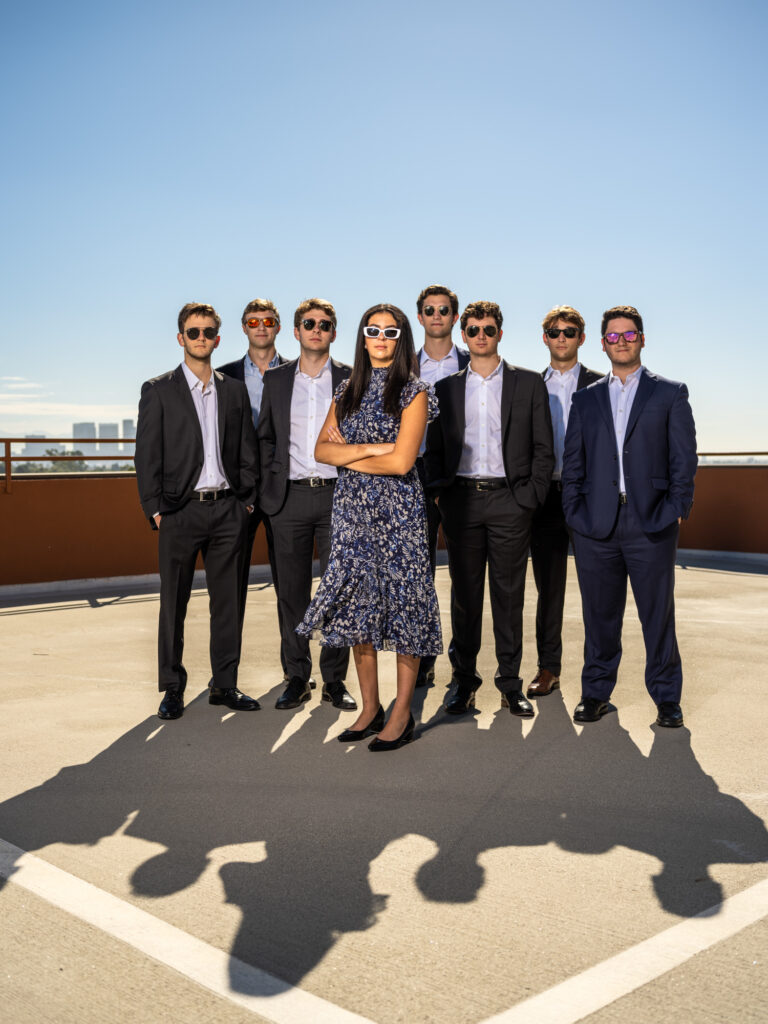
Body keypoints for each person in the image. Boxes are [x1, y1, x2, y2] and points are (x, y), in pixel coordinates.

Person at [297, 303, 442, 751]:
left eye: (391, 331)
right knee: (359, 607)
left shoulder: (414, 391)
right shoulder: (347, 389)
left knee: (402, 605)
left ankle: (401, 712)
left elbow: (403, 462)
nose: (381, 337)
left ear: (401, 339)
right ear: (362, 337)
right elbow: (321, 451)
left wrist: (355, 451)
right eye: (373, 329)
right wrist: (380, 445)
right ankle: (369, 707)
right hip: (352, 514)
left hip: (400, 515)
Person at [562, 305, 697, 728]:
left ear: (641, 339)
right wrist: (574, 513)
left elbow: (684, 460)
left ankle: (667, 698)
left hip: (651, 522)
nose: (622, 341)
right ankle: (596, 693)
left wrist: (676, 509)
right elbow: (573, 463)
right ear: (603, 343)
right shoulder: (584, 399)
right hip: (595, 526)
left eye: (629, 334)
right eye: (614, 336)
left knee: (657, 616)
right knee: (599, 615)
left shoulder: (670, 393)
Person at [424, 300, 554, 718]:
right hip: (460, 502)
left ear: (500, 333)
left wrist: (527, 500)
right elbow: (435, 450)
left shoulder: (529, 383)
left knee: (508, 595)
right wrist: (442, 494)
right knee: (464, 597)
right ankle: (463, 683)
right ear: (464, 335)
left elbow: (542, 449)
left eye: (489, 329)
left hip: (509, 503)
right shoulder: (444, 389)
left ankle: (510, 683)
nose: (481, 335)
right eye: (474, 330)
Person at [135, 302, 261, 720]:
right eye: (193, 332)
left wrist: (246, 501)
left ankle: (224, 685)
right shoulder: (158, 390)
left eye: (208, 332)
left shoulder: (234, 390)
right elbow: (146, 456)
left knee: (228, 603)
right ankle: (172, 687)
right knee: (174, 603)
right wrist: (155, 510)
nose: (201, 338)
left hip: (228, 510)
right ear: (180, 338)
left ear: (218, 339)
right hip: (179, 512)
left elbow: (246, 448)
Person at [257, 299, 355, 712]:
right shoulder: (276, 380)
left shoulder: (353, 379)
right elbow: (265, 437)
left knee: (338, 592)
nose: (317, 329)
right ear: (296, 331)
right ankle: (297, 676)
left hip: (338, 497)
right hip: (289, 498)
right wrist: (267, 493)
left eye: (324, 324)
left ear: (333, 333)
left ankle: (335, 680)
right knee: (292, 594)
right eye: (309, 323)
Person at [528, 306, 602, 698]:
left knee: (597, 589)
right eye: (555, 332)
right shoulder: (530, 385)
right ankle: (548, 668)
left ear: (581, 338)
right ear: (545, 338)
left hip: (590, 497)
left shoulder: (602, 385)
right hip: (545, 499)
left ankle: (597, 677)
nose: (562, 338)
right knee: (549, 590)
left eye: (569, 332)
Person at [218, 299, 289, 673]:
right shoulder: (223, 375)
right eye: (253, 322)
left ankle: (297, 674)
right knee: (230, 591)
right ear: (244, 328)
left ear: (277, 327)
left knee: (291, 592)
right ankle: (225, 679)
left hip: (285, 492)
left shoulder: (297, 372)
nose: (261, 326)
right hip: (237, 494)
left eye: (268, 321)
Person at [413, 284, 470, 688]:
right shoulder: (403, 366)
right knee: (419, 577)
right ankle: (421, 660)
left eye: (444, 309)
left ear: (454, 317)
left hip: (461, 481)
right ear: (420, 317)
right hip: (411, 478)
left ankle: (463, 669)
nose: (437, 315)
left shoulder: (474, 363)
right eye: (430, 310)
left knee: (465, 579)